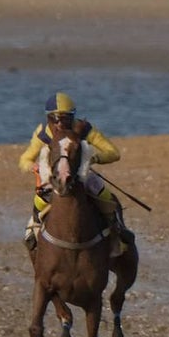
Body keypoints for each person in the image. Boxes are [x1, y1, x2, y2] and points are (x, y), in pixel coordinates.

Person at [18, 92, 133, 253]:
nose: (59, 124)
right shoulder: (42, 133)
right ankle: (33, 229)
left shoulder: (85, 129)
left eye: (64, 118)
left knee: (104, 194)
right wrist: (33, 167)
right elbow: (25, 159)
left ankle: (117, 230)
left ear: (72, 117)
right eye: (53, 119)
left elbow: (113, 152)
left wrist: (94, 159)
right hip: (53, 177)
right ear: (47, 118)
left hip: (81, 174)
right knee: (40, 199)